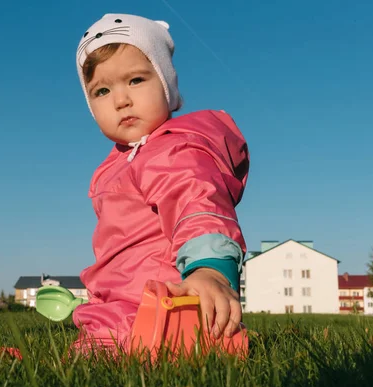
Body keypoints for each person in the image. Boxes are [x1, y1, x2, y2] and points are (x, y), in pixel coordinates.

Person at [72, 13, 250, 354]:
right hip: (118, 304)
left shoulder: (173, 151)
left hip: (162, 306)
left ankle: (211, 341)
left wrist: (210, 269)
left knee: (107, 360)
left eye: (136, 80)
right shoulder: (117, 165)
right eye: (102, 90)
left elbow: (198, 203)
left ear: (166, 84)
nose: (120, 99)